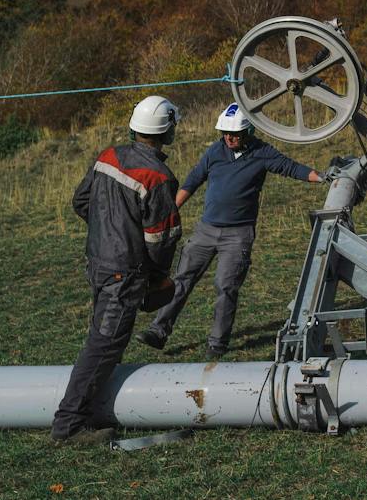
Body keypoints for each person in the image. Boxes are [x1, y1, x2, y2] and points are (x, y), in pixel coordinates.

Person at [136, 102, 322, 358]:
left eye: (234, 133)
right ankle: (158, 331)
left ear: (248, 133)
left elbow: (292, 168)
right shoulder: (215, 151)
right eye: (225, 132)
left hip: (238, 235)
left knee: (226, 287)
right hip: (206, 230)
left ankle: (217, 344)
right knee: (181, 280)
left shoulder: (262, 152)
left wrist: (323, 177)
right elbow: (193, 179)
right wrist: (171, 210)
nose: (229, 137)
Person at [51, 95, 182, 445]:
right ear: (168, 131)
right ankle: (69, 425)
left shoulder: (108, 157)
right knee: (103, 345)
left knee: (103, 340)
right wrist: (156, 278)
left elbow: (82, 202)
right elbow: (161, 239)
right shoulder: (159, 177)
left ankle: (90, 409)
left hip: (97, 264)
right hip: (125, 276)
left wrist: (107, 233)